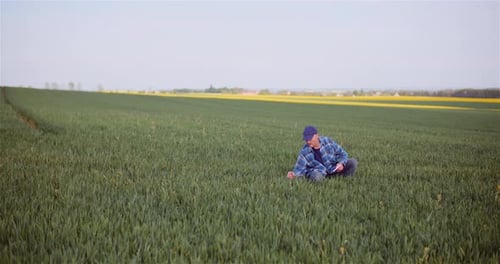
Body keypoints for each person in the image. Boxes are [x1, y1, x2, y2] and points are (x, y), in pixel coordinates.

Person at [287, 125, 358, 182]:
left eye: (310, 138)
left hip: (333, 168)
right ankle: (324, 182)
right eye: (306, 139)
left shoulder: (327, 141)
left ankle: (345, 180)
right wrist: (293, 175)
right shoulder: (304, 152)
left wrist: (341, 163)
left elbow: (343, 153)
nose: (308, 141)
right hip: (319, 172)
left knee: (352, 162)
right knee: (316, 176)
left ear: (317, 135)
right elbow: (299, 169)